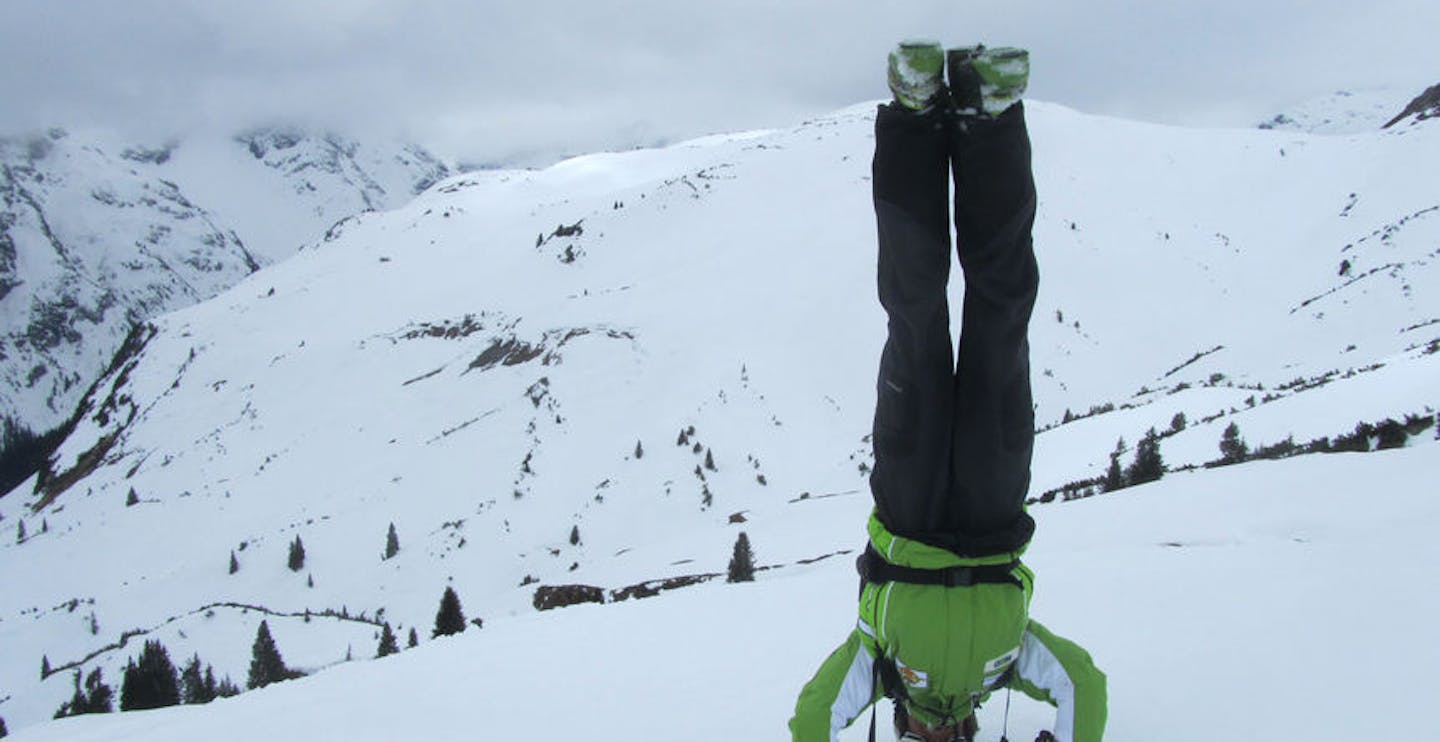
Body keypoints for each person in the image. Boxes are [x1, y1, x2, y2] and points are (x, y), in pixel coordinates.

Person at [789, 42, 1107, 742]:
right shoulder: (1007, 670)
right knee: (1001, 317)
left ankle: (914, 113)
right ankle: (990, 116)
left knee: (915, 314)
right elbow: (1084, 682)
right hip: (994, 510)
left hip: (907, 509)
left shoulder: (878, 670)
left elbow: (810, 720)